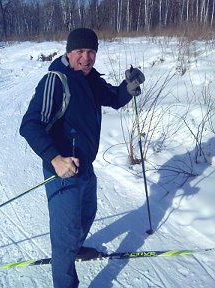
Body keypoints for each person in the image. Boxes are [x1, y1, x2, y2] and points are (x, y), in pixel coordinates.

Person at [19, 28, 145, 288]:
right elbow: (30, 125)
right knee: (64, 235)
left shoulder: (90, 79)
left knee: (88, 213)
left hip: (85, 165)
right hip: (62, 171)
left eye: (91, 52)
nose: (86, 58)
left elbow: (112, 97)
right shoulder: (56, 81)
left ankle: (75, 249)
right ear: (68, 53)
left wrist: (128, 87)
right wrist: (55, 159)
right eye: (80, 51)